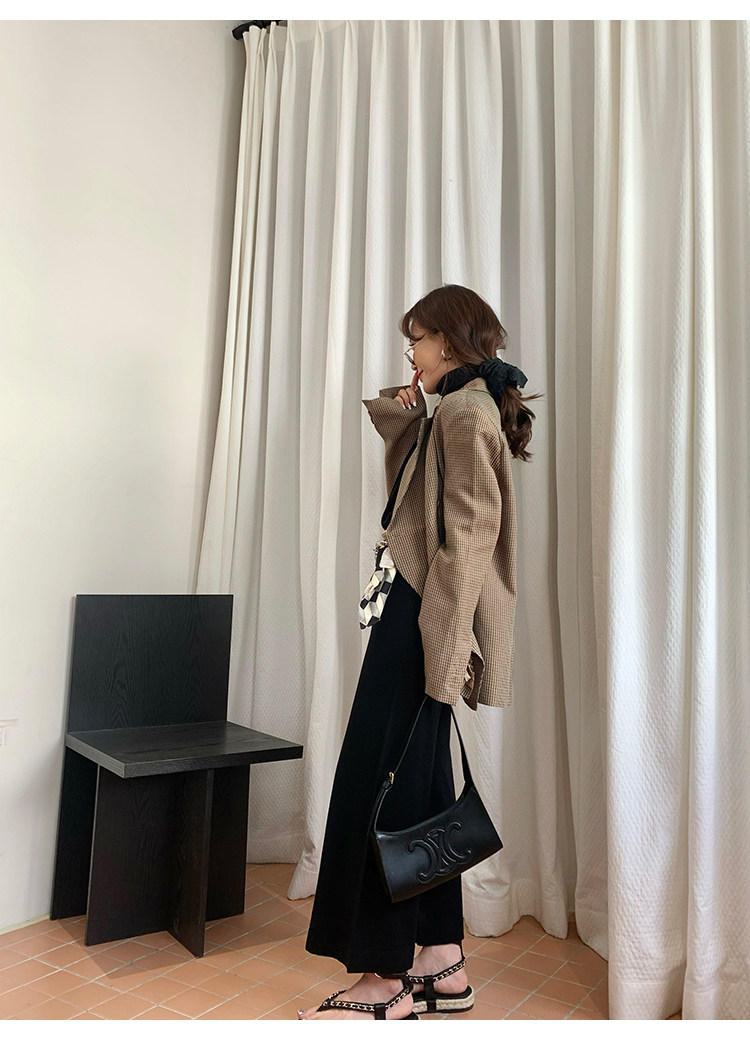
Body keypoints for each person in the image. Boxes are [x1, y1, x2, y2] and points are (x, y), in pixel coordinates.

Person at [297, 284, 541, 1020]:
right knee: (423, 785)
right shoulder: (457, 408)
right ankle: (441, 962)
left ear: (449, 341)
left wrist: (444, 648)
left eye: (418, 340)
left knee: (381, 786)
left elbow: (467, 539)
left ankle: (383, 979)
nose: (411, 353)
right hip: (424, 612)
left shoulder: (464, 414)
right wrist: (408, 415)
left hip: (424, 617)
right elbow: (417, 500)